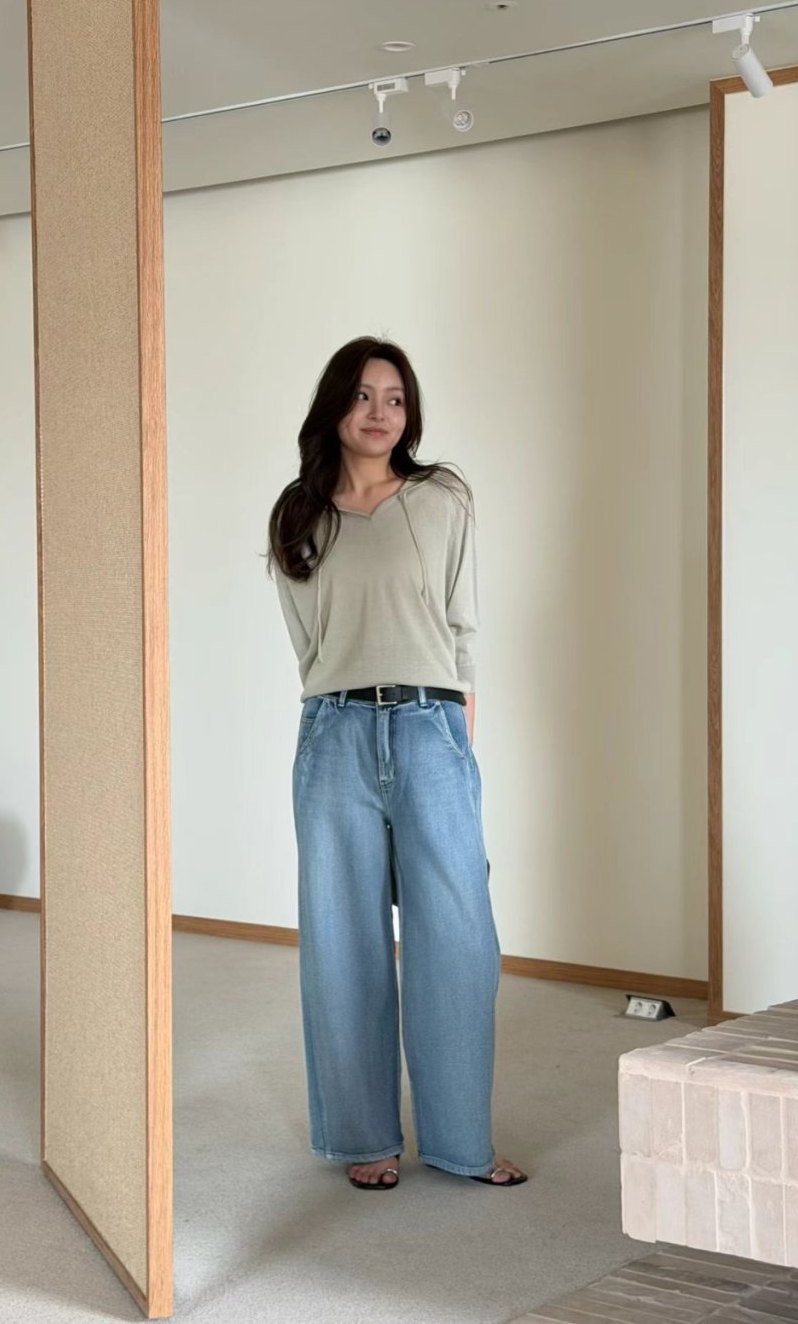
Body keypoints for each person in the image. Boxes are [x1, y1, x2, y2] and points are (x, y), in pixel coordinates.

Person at [265, 336, 527, 1190]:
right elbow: (307, 645)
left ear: (409, 414)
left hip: (429, 726)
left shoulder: (441, 497)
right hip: (334, 734)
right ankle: (365, 1137)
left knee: (458, 936)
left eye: (396, 398)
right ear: (335, 407)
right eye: (363, 395)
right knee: (342, 941)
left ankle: (461, 1141)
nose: (380, 412)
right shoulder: (297, 516)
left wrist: (456, 745)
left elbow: (462, 630)